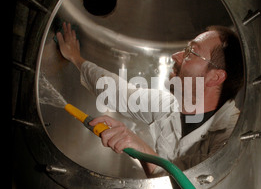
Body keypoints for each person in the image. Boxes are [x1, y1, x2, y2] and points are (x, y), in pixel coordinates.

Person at [56, 22, 244, 177]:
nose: (176, 56)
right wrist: (76, 58)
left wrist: (140, 147)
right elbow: (115, 91)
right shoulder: (168, 105)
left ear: (215, 77)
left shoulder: (233, 133)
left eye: (191, 53)